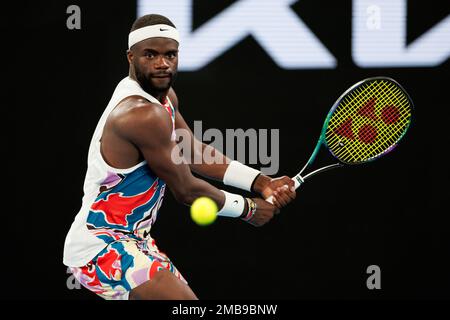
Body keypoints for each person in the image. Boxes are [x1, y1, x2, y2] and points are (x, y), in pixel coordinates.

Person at [63, 14, 296, 300]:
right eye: (151, 55)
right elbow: (186, 190)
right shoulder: (141, 114)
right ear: (130, 57)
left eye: (170, 54)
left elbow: (192, 150)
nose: (163, 64)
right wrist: (247, 208)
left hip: (135, 241)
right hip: (99, 246)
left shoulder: (165, 98)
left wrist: (260, 182)